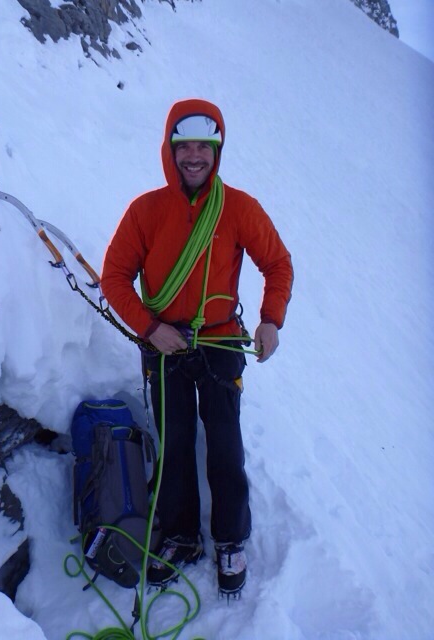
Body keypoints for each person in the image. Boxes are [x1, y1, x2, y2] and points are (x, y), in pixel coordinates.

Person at [101, 98, 293, 597]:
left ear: (216, 151)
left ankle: (231, 540)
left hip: (221, 339)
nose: (193, 156)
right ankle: (182, 536)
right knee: (175, 443)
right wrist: (150, 328)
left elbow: (277, 263)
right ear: (169, 149)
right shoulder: (146, 211)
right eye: (183, 146)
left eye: (203, 147)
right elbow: (114, 277)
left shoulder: (239, 208)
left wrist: (270, 321)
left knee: (225, 442)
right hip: (165, 342)